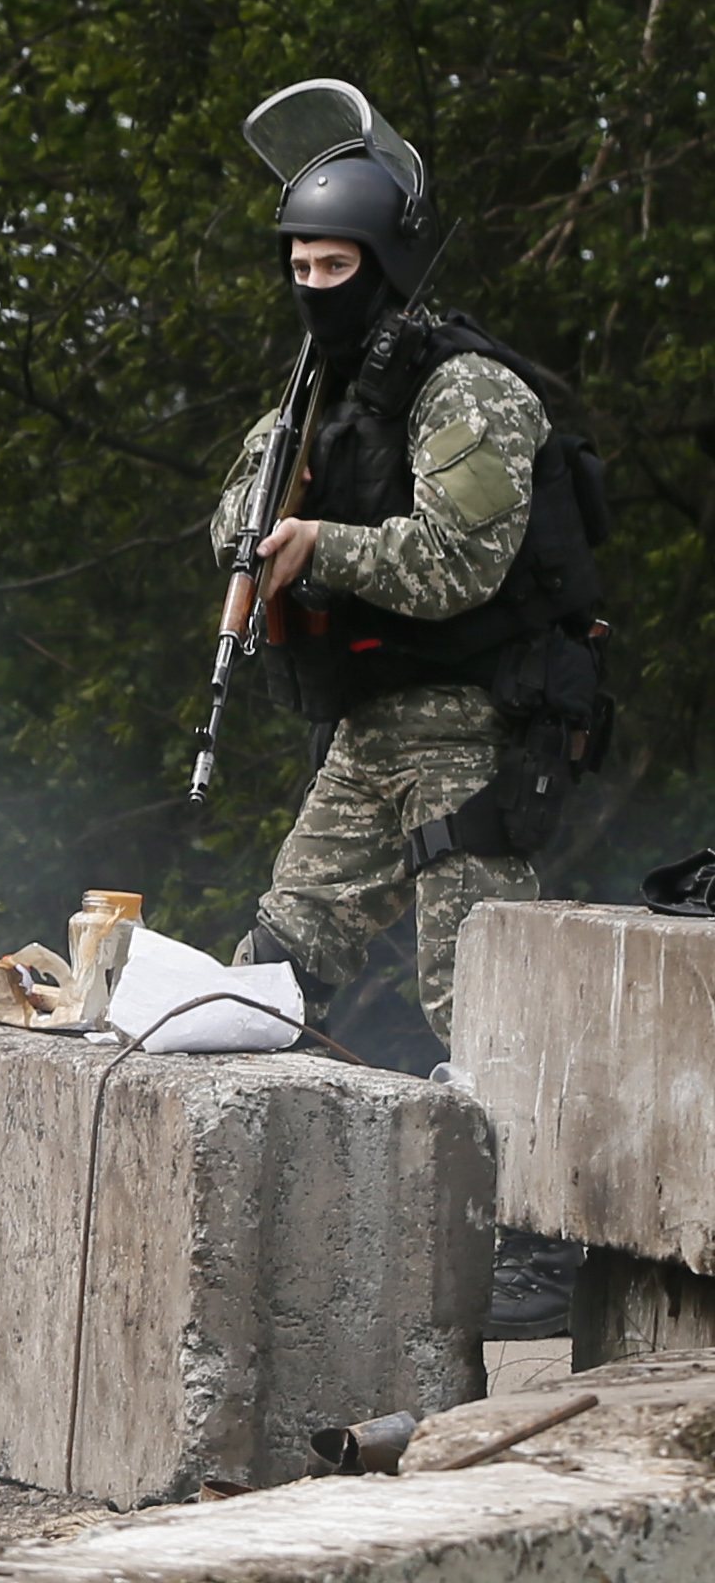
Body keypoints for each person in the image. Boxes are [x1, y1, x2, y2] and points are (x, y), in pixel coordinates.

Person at [215, 81, 609, 1338]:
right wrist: (262, 529)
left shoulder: (469, 391)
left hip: (476, 722)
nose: (310, 283)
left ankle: (545, 1247)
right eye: (297, 261)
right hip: (370, 726)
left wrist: (315, 545)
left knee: (479, 993)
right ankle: (261, 1222)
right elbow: (232, 514)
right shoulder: (310, 400)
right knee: (267, 969)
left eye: (333, 263)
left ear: (381, 261)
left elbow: (458, 564)